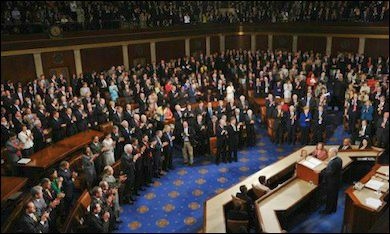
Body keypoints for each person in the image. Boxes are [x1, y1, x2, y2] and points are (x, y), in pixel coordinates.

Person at [320, 147, 342, 214]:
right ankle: (333, 209)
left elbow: (329, 173)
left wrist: (320, 172)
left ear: (334, 153)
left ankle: (327, 210)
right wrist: (328, 164)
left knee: (330, 196)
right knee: (334, 196)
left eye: (329, 152)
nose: (328, 153)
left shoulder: (333, 162)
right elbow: (334, 168)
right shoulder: (339, 159)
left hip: (331, 182)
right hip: (336, 181)